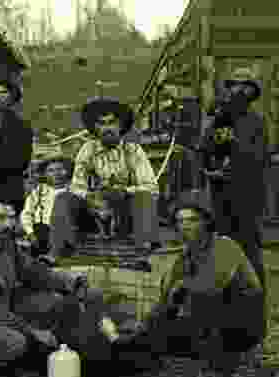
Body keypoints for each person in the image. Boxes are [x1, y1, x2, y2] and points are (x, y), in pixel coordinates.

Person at [0, 192, 124, 377]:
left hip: (3, 306)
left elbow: (34, 272)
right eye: (1, 218)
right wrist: (32, 331)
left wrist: (72, 281)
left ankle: (62, 359)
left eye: (12, 217)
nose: (9, 224)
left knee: (56, 303)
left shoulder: (6, 243)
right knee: (16, 341)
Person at [113, 189, 265, 375]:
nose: (185, 226)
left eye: (192, 220)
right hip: (207, 324)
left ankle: (220, 366)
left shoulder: (224, 245)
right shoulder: (185, 257)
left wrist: (181, 286)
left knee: (199, 302)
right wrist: (146, 324)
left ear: (206, 221)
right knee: (155, 329)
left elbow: (211, 286)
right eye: (180, 221)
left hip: (242, 324)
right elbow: (167, 298)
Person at [201, 67, 268, 296]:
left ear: (251, 92)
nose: (237, 90)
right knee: (222, 246)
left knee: (249, 249)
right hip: (221, 195)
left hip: (247, 195)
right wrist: (210, 169)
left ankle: (257, 297)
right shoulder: (220, 120)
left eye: (243, 86)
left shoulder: (257, 123)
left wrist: (236, 142)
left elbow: (259, 158)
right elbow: (204, 151)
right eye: (233, 86)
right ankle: (226, 297)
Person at [65, 97, 161, 250]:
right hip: (96, 209)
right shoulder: (88, 149)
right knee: (64, 198)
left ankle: (144, 244)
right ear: (95, 127)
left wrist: (124, 191)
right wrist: (89, 197)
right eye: (102, 124)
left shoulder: (133, 150)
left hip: (126, 211)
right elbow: (76, 186)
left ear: (120, 125)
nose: (107, 128)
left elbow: (151, 187)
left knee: (144, 197)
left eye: (112, 122)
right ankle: (62, 246)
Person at [20, 154, 83, 258]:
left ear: (67, 171)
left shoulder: (75, 189)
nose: (56, 174)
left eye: (60, 169)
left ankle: (56, 253)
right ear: (45, 174)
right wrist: (30, 233)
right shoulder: (39, 191)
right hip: (43, 232)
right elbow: (27, 213)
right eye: (51, 170)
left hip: (65, 232)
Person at [0, 77, 33, 214]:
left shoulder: (21, 125)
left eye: (3, 92)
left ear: (12, 96)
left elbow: (23, 160)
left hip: (10, 184)